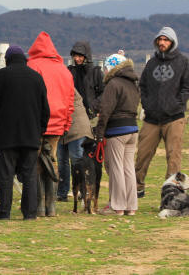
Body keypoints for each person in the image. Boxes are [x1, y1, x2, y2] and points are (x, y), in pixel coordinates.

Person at [0, 45, 49, 220]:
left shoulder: (0, 77)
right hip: (31, 135)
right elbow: (45, 110)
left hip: (7, 136)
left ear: (7, 60)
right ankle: (29, 212)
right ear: (24, 59)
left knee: (6, 174)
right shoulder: (36, 78)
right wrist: (40, 131)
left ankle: (4, 212)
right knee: (29, 174)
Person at [135, 26, 189, 198]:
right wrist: (146, 104)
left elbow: (188, 87)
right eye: (160, 40)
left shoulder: (183, 62)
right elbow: (143, 86)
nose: (162, 43)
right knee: (142, 155)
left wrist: (176, 104)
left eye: (166, 40)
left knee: (173, 157)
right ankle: (137, 187)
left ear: (172, 42)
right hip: (151, 118)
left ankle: (171, 191)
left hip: (174, 118)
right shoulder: (151, 63)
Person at [26, 31, 74, 217]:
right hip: (57, 125)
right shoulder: (64, 70)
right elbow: (70, 101)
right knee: (52, 162)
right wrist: (65, 125)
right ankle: (51, 206)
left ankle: (38, 205)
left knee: (36, 164)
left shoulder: (31, 65)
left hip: (36, 124)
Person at [94, 53, 140, 216]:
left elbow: (105, 111)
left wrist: (99, 133)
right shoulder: (133, 83)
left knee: (116, 168)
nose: (105, 72)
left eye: (106, 68)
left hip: (116, 131)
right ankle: (131, 206)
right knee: (128, 168)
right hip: (132, 129)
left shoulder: (113, 84)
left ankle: (117, 206)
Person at [58, 41, 103, 201]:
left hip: (86, 120)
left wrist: (93, 107)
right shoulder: (68, 71)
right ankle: (62, 192)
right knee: (63, 159)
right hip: (67, 117)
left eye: (80, 56)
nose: (77, 59)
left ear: (86, 56)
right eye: (75, 55)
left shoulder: (96, 72)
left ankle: (82, 191)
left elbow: (101, 93)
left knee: (79, 157)